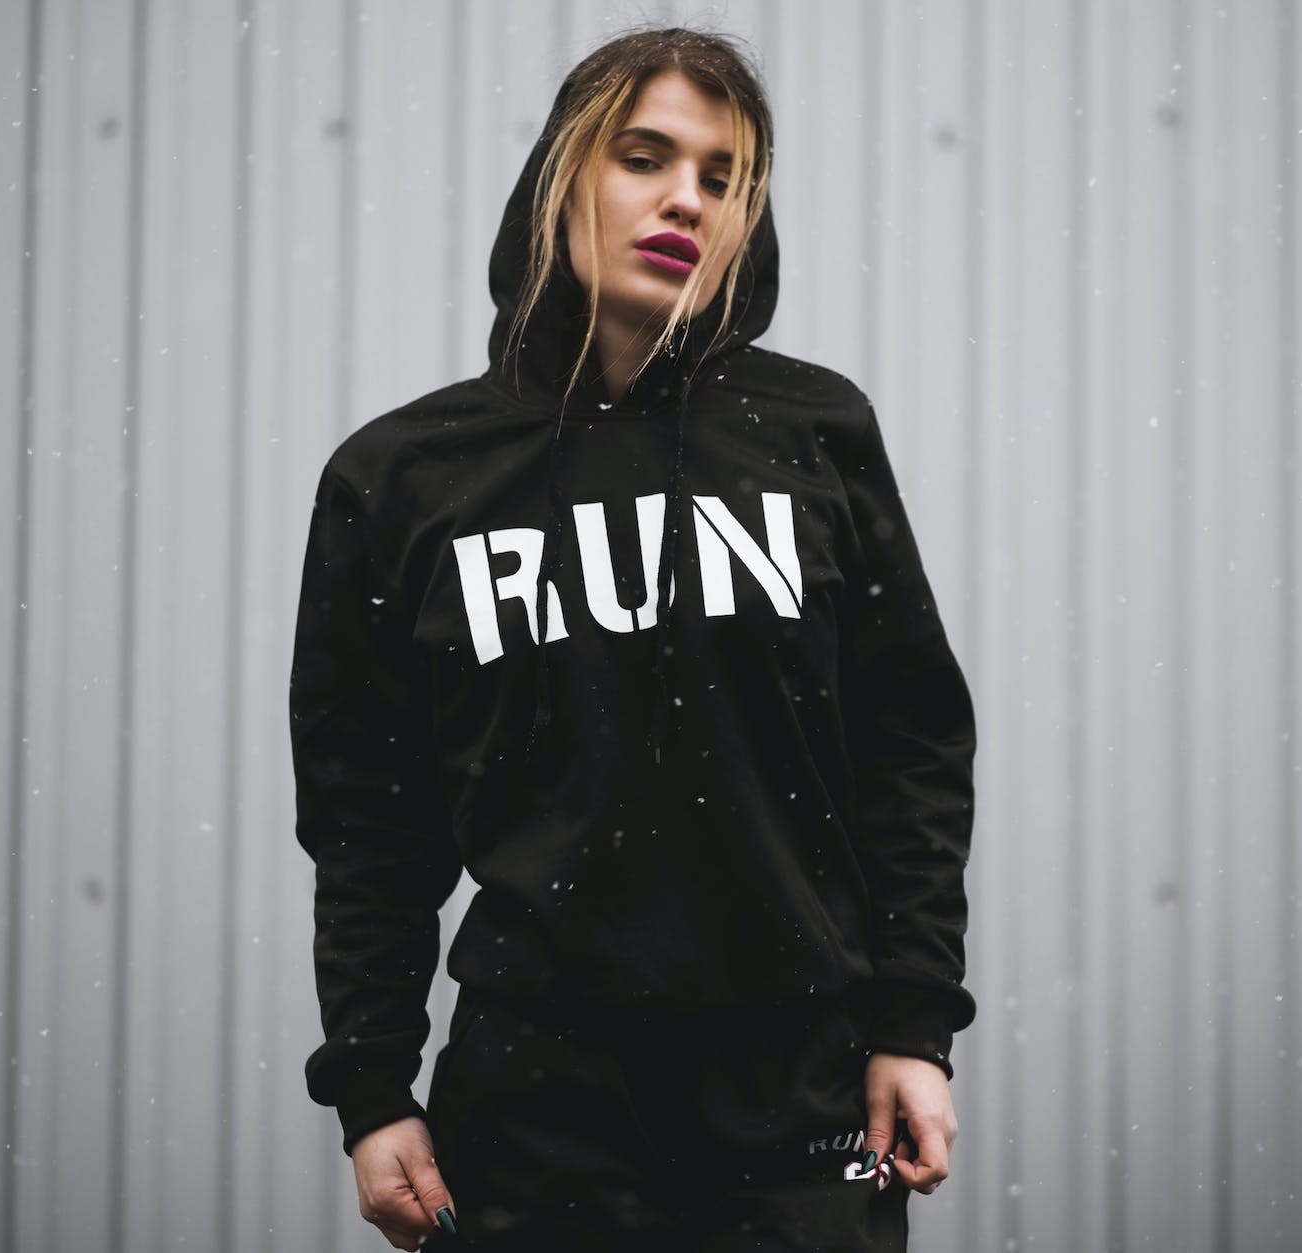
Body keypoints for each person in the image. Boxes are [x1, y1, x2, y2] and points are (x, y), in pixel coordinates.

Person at [289, 24, 977, 1252]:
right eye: (643, 156)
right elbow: (368, 819)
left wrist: (911, 1025)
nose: (685, 200)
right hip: (535, 1106)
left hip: (798, 1090)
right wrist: (373, 1084)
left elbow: (910, 748)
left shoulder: (813, 434)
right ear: (562, 177)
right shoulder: (402, 479)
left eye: (722, 175)